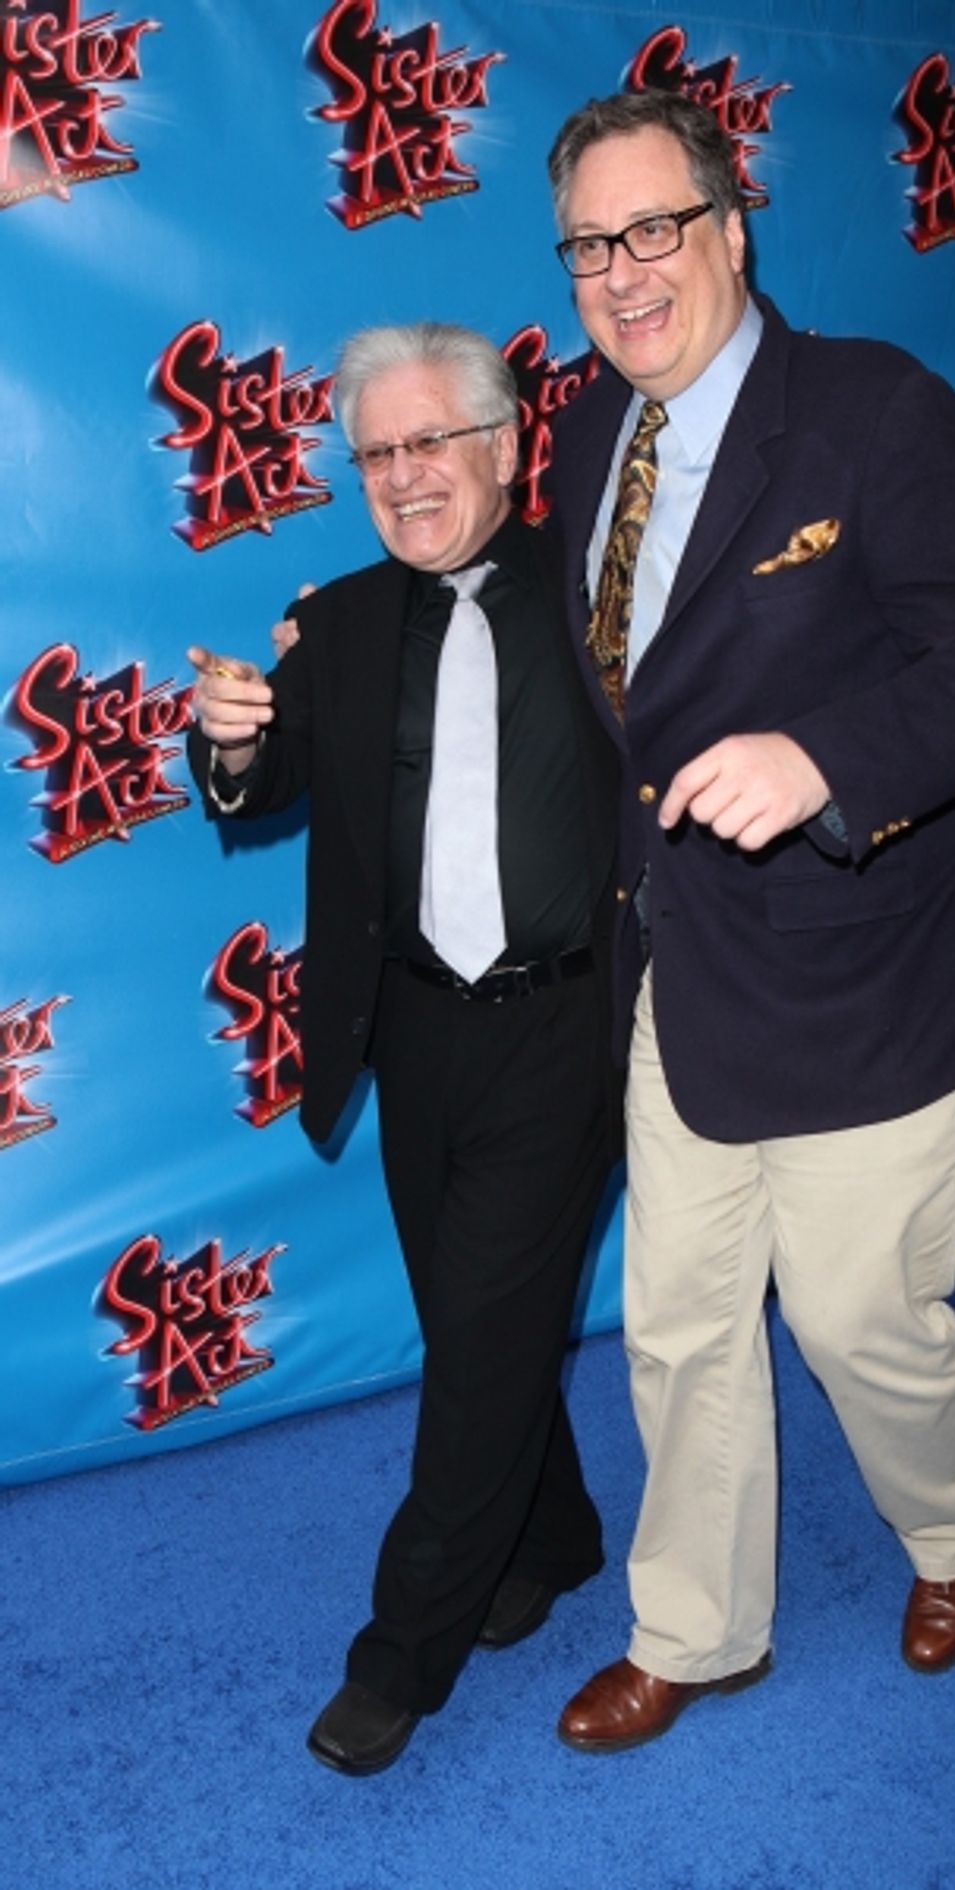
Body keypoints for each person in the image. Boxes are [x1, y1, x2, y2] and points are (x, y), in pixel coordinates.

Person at [542, 91, 955, 1753]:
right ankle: (697, 1628)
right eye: (588, 245)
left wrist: (825, 756)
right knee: (680, 1320)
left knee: (858, 1319)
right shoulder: (578, 430)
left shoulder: (870, 411)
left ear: (731, 227)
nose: (624, 276)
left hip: (876, 973)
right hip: (685, 970)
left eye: (655, 229)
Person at [186, 322, 620, 1775]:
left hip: (568, 1024)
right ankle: (552, 1533)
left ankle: (400, 1655)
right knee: (474, 1324)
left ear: (505, 445)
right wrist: (234, 737)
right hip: (414, 1029)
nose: (405, 475)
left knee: (483, 1338)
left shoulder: (604, 588)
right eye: (378, 452)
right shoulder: (348, 618)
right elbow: (261, 778)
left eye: (433, 441)